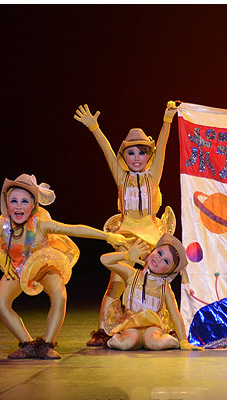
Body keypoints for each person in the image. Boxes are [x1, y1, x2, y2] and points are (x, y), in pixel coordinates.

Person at [0, 174, 129, 359]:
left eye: (24, 201)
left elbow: (73, 229)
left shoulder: (40, 225)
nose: (18, 206)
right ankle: (27, 345)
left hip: (44, 266)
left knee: (59, 295)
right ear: (7, 204)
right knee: (0, 303)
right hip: (18, 268)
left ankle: (47, 345)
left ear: (33, 205)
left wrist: (108, 237)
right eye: (14, 201)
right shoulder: (4, 227)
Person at [74, 101, 178, 346]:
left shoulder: (153, 176)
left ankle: (163, 328)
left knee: (157, 285)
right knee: (117, 283)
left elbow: (162, 146)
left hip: (151, 237)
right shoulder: (122, 177)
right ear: (124, 157)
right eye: (131, 152)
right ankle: (104, 331)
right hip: (125, 236)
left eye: (142, 152)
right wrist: (95, 128)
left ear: (148, 155)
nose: (137, 157)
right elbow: (107, 151)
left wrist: (167, 121)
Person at [99, 234, 202, 351]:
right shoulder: (132, 274)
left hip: (153, 327)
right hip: (131, 324)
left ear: (170, 272)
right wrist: (126, 255)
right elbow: (104, 260)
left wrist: (183, 340)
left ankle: (171, 340)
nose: (159, 259)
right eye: (159, 253)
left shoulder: (164, 287)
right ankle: (123, 341)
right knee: (127, 343)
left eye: (166, 261)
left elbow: (175, 314)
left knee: (153, 343)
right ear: (153, 250)